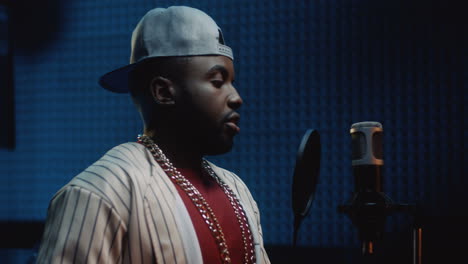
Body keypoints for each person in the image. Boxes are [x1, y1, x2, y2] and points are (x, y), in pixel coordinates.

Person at [36, 5, 270, 264]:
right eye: (217, 81)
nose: (236, 98)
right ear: (163, 92)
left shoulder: (237, 190)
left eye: (232, 82)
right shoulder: (100, 193)